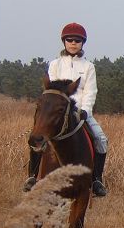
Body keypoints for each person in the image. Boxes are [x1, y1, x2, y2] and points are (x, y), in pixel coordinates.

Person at [23, 22, 109, 197]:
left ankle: (96, 180)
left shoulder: (88, 67)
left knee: (101, 139)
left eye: (77, 40)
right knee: (37, 136)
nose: (73, 43)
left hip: (81, 112)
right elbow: (52, 91)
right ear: (64, 42)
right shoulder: (55, 64)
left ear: (82, 43)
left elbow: (90, 91)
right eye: (69, 39)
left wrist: (85, 110)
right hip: (57, 111)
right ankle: (32, 176)